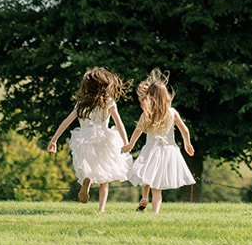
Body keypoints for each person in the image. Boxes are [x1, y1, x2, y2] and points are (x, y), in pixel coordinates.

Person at [45, 66, 132, 213]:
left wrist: (54, 140)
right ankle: (101, 210)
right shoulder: (108, 102)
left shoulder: (81, 104)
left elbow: (66, 122)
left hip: (84, 138)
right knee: (105, 176)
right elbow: (119, 124)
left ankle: (87, 181)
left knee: (89, 167)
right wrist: (126, 142)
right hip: (105, 138)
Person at [121, 69, 195, 213]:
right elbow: (184, 129)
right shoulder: (172, 112)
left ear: (150, 96)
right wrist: (187, 143)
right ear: (165, 95)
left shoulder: (147, 113)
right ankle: (155, 212)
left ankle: (144, 196)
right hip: (168, 151)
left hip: (150, 149)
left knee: (146, 174)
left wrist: (130, 145)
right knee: (157, 187)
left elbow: (138, 131)